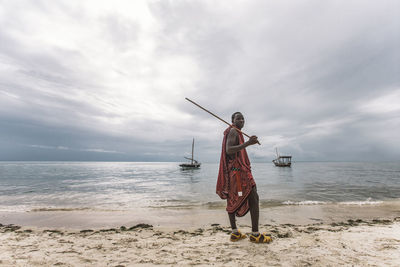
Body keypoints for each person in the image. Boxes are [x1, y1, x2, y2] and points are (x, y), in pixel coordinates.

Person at [216, 112, 272, 243]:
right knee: (254, 197)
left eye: (243, 118)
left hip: (235, 171)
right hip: (238, 172)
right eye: (238, 118)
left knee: (232, 198)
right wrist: (248, 143)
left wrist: (248, 142)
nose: (241, 120)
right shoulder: (233, 132)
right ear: (232, 120)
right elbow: (229, 150)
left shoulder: (235, 132)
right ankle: (255, 234)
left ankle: (235, 233)